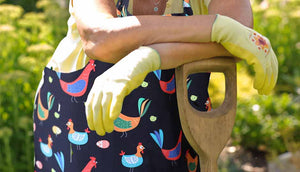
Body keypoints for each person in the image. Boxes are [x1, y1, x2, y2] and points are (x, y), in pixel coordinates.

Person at [33, 0, 278, 171]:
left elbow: (241, 39)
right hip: (79, 123)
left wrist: (147, 58)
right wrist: (216, 27)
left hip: (176, 132)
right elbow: (99, 36)